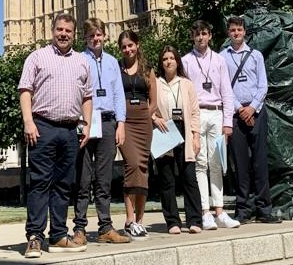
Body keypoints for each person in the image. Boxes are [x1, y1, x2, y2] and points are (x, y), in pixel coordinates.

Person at [18, 13, 93, 258]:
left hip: (71, 130)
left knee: (63, 185)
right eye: (59, 29)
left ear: (74, 34)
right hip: (43, 126)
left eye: (68, 31)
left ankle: (59, 234)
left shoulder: (82, 61)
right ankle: (35, 237)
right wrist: (28, 122)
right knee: (40, 183)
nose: (63, 34)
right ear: (53, 31)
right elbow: (25, 90)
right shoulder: (37, 57)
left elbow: (87, 97)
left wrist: (87, 125)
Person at [72, 18, 130, 244]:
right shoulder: (78, 60)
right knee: (83, 178)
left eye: (99, 35)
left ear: (104, 35)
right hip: (85, 122)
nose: (95, 39)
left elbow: (118, 95)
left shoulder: (113, 62)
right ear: (85, 38)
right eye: (91, 35)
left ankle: (105, 227)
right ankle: (79, 228)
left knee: (104, 179)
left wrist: (121, 124)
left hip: (107, 122)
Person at [220, 16, 282, 224]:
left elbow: (263, 85)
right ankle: (243, 209)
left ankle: (264, 209)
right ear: (228, 33)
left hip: (256, 112)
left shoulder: (255, 56)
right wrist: (240, 109)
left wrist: (252, 108)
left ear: (245, 32)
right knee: (240, 164)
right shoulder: (223, 57)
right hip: (236, 115)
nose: (236, 33)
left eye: (239, 29)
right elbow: (225, 87)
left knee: (260, 162)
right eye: (232, 30)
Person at [182, 20, 240, 230]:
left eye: (204, 34)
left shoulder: (219, 60)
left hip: (216, 113)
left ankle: (220, 210)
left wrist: (227, 122)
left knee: (217, 163)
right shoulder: (186, 61)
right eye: (197, 34)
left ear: (210, 36)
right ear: (193, 37)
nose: (201, 38)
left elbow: (227, 91)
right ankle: (205, 212)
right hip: (197, 114)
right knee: (200, 163)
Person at [153, 45, 202, 234]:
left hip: (184, 129)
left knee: (189, 177)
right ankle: (172, 221)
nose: (168, 62)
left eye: (171, 58)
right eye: (165, 59)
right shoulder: (156, 83)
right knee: (166, 179)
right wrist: (154, 119)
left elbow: (195, 112)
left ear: (177, 61)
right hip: (165, 130)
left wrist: (196, 135)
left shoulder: (186, 84)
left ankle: (194, 220)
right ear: (161, 62)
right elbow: (148, 108)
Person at [118, 30, 157, 240]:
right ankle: (129, 218)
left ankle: (140, 222)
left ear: (137, 45)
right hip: (125, 123)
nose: (128, 49)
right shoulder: (116, 68)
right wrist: (120, 121)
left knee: (143, 168)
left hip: (143, 123)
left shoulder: (147, 70)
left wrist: (146, 116)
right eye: (124, 46)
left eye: (130, 45)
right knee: (131, 165)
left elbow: (154, 102)